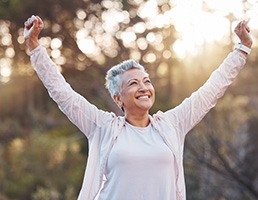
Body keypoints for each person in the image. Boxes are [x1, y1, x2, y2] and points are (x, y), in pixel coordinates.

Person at [24, 15, 253, 200]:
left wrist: (242, 49)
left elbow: (211, 90)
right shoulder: (102, 126)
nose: (143, 87)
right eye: (133, 83)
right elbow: (62, 93)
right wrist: (35, 48)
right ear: (118, 98)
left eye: (146, 81)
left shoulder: (172, 125)